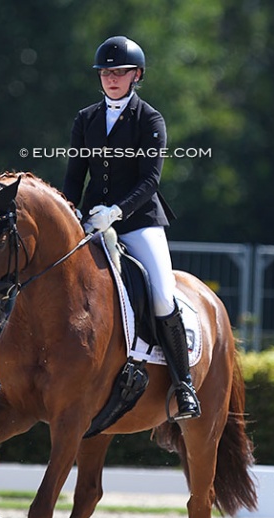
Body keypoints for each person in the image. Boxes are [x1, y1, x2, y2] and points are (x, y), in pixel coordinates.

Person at [62, 35, 200, 420]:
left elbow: (149, 180)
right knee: (45, 273)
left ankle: (183, 384)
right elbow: (74, 177)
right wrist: (69, 211)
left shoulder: (149, 119)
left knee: (161, 293)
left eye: (120, 72)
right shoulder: (85, 119)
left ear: (136, 75)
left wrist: (117, 212)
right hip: (90, 219)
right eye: (106, 72)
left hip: (138, 221)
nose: (112, 78)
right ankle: (7, 371)